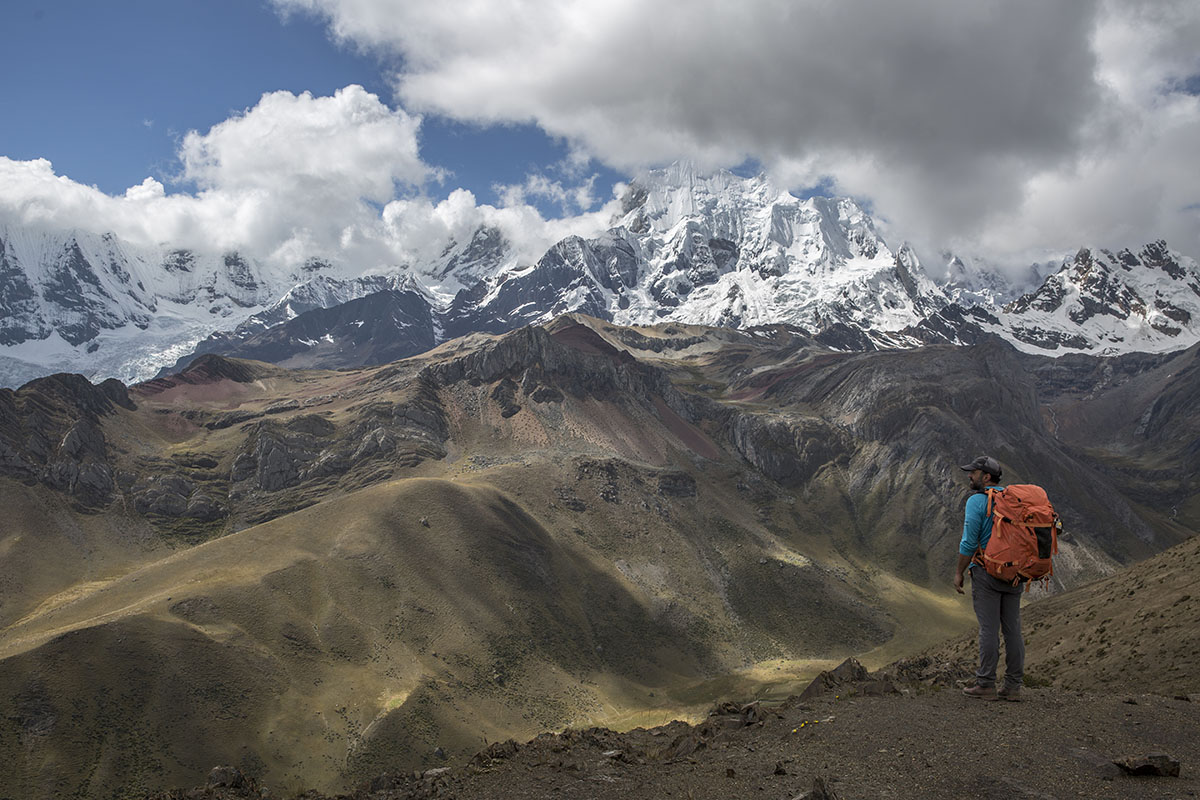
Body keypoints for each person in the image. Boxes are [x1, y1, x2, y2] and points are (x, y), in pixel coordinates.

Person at [953, 455, 1024, 701]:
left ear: (986, 477)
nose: (969, 476)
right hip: (1015, 573)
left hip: (987, 573)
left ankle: (985, 684)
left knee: (989, 630)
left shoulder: (977, 501)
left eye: (973, 472)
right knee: (1013, 630)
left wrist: (959, 572)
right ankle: (1013, 686)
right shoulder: (1014, 500)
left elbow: (969, 541)